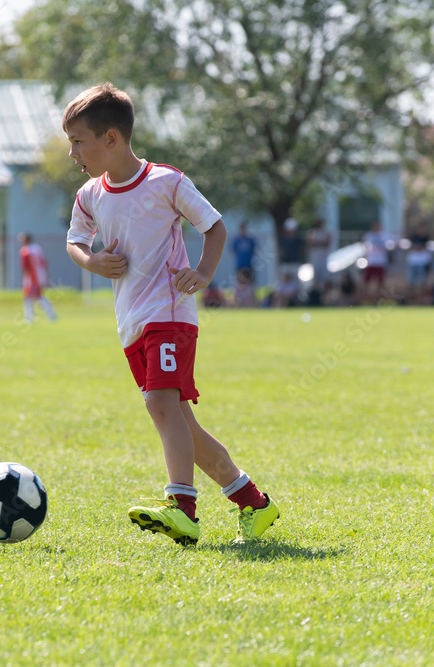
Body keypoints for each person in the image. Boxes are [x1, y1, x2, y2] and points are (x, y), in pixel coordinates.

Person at [63, 82, 278, 545]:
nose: (73, 152)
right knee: (181, 422)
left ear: (112, 139)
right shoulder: (89, 195)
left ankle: (183, 508)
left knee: (160, 406)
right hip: (132, 322)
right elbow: (75, 241)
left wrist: (202, 273)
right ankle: (254, 504)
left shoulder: (167, 181)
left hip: (171, 313)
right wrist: (91, 261)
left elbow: (214, 226)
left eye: (78, 141)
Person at [18, 233, 58, 323]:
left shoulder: (25, 251)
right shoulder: (37, 248)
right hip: (41, 275)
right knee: (33, 297)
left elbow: (25, 267)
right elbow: (44, 262)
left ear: (26, 240)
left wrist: (22, 279)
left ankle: (32, 317)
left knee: (35, 297)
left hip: (32, 277)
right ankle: (31, 317)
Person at [361, 220, 390, 305]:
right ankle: (366, 299)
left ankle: (379, 300)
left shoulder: (384, 236)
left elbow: (389, 247)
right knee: (367, 281)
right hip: (371, 261)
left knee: (381, 282)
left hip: (381, 262)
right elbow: (365, 247)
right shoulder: (368, 235)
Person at [306, 218, 332, 286]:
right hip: (315, 259)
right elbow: (311, 243)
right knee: (315, 279)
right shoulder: (312, 232)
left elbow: (327, 243)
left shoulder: (326, 232)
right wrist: (321, 242)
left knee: (325, 278)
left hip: (324, 259)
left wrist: (317, 242)